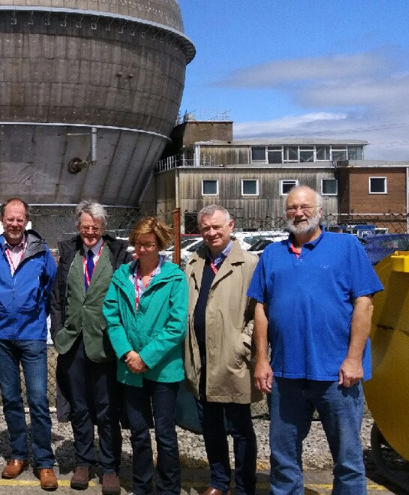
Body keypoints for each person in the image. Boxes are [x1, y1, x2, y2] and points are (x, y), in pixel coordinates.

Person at [248, 186, 383, 494]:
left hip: (338, 374)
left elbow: (365, 304)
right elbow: (261, 309)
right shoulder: (272, 254)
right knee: (283, 459)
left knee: (348, 459)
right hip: (285, 374)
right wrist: (262, 361)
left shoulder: (347, 247)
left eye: (305, 207)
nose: (299, 213)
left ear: (320, 212)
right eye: (292, 208)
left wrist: (353, 359)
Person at [103, 217, 187, 495]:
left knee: (165, 434)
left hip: (163, 369)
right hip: (130, 367)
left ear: (159, 245)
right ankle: (141, 485)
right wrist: (127, 352)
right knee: (138, 432)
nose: (141, 250)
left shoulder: (174, 277)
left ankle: (168, 488)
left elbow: (176, 325)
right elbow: (112, 317)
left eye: (148, 244)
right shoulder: (122, 276)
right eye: (138, 244)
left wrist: (146, 357)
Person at [51, 201, 130, 495]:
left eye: (95, 227)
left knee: (107, 407)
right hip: (73, 343)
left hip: (106, 344)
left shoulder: (117, 256)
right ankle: (83, 462)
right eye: (85, 227)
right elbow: (57, 297)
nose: (90, 232)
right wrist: (57, 331)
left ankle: (110, 467)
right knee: (80, 407)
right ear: (77, 227)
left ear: (104, 228)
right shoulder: (70, 254)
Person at [0, 198, 58, 490]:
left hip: (32, 335)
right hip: (0, 335)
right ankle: (17, 454)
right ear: (2, 220)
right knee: (11, 399)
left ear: (26, 221)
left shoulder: (41, 252)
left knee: (38, 399)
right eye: (10, 219)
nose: (15, 224)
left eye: (20, 219)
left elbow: (50, 289)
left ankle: (45, 461)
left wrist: (35, 316)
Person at [183, 205, 260, 495]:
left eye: (217, 227)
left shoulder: (250, 264)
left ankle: (244, 487)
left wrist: (244, 344)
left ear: (231, 226)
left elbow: (260, 312)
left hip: (232, 359)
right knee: (211, 426)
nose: (212, 233)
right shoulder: (194, 262)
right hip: (201, 359)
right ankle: (218, 481)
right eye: (206, 229)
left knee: (240, 429)